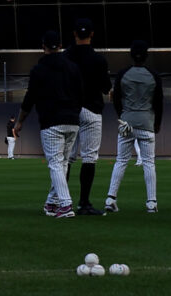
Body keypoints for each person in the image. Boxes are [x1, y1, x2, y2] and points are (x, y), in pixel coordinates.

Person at [21, 29, 84, 218]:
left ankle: (65, 205)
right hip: (72, 121)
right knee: (62, 163)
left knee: (56, 164)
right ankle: (52, 202)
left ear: (43, 47)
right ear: (61, 46)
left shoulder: (38, 70)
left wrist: (20, 121)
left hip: (51, 122)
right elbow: (81, 94)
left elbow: (30, 98)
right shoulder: (73, 67)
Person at [106, 43, 162, 214]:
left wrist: (122, 116)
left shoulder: (123, 74)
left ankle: (110, 199)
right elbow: (158, 102)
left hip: (127, 121)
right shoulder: (153, 75)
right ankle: (151, 202)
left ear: (131, 55)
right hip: (146, 122)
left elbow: (116, 98)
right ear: (146, 56)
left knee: (121, 160)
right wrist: (157, 123)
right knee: (149, 163)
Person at [66, 19, 111, 214]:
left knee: (66, 158)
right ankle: (84, 203)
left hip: (69, 110)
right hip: (91, 109)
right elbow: (106, 87)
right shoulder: (98, 59)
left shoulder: (65, 57)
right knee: (89, 158)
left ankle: (61, 200)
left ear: (74, 34)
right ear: (92, 34)